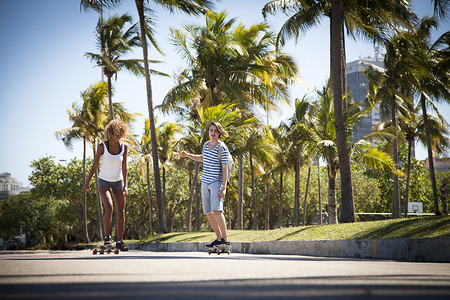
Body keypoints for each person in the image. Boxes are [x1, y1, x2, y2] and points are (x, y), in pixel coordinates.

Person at [180, 121, 231, 247]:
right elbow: (202, 158)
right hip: (205, 182)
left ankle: (225, 239)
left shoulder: (222, 148)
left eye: (215, 130)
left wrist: (224, 188)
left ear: (219, 133)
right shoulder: (206, 145)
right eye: (211, 130)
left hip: (216, 182)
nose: (212, 133)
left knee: (217, 210)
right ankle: (218, 239)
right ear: (208, 132)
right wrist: (188, 155)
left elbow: (225, 169)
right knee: (209, 212)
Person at [85, 119, 129, 251]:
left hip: (118, 181)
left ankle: (120, 241)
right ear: (110, 133)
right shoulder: (102, 147)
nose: (119, 136)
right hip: (103, 181)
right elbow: (95, 165)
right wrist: (87, 181)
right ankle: (107, 238)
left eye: (121, 133)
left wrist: (125, 185)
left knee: (121, 211)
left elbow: (124, 167)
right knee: (109, 207)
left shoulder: (124, 147)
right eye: (116, 133)